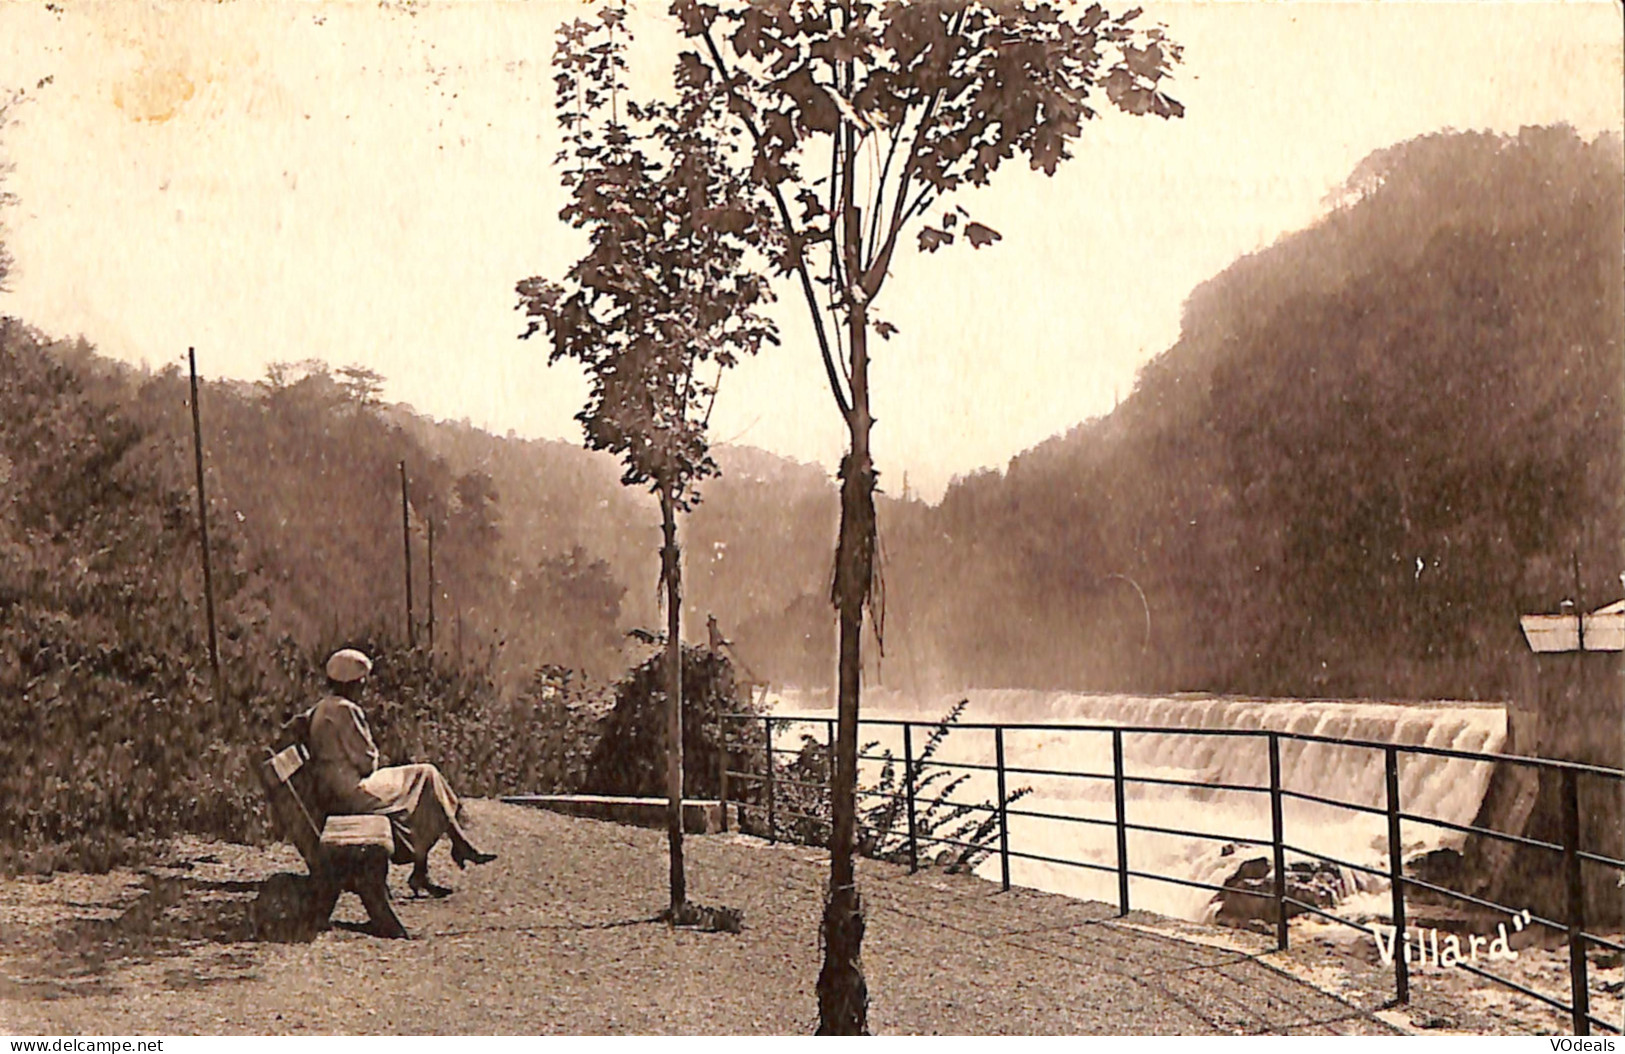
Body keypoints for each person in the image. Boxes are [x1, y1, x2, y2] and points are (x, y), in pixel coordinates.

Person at [302, 648, 496, 898]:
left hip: (336, 787)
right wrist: (373, 754)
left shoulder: (324, 706)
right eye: (362, 682)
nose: (364, 687)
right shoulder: (346, 710)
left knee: (426, 775)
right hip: (352, 792)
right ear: (354, 683)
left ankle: (448, 851)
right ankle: (448, 851)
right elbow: (367, 761)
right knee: (425, 780)